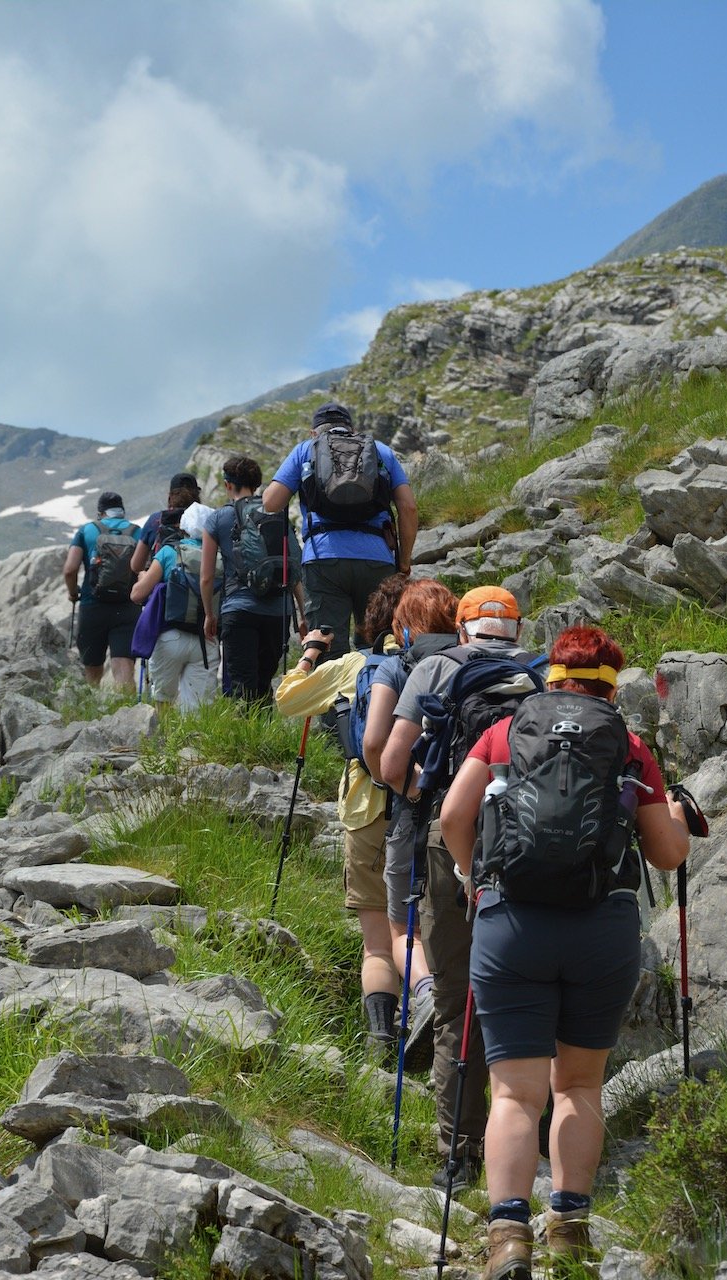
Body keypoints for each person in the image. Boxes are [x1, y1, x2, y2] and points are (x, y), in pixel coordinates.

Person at [439, 625, 691, 1280]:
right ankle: (570, 1229)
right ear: (612, 682)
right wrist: (679, 821)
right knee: (578, 1085)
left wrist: (475, 881)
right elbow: (667, 854)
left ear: (551, 676)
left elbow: (451, 817)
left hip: (511, 924)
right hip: (599, 930)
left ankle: (508, 1238)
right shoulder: (629, 747)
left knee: (515, 1095)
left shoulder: (505, 733)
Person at [379, 585, 538, 1191]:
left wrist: (430, 798)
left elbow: (393, 766)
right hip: (523, 844)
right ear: (516, 630)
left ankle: (459, 1154)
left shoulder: (436, 669)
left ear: (463, 626)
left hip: (452, 843)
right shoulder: (536, 675)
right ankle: (526, 1134)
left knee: (455, 1001)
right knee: (521, 996)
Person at [275, 574, 417, 1059]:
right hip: (434, 807)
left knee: (378, 940)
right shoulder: (445, 663)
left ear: (373, 620)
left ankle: (382, 1040)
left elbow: (287, 698)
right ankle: (437, 1017)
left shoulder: (357, 665)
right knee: (431, 928)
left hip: (368, 807)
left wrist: (312, 650)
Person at [361, 578, 459, 1070]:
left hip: (415, 814)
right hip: (476, 815)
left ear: (403, 625)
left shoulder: (397, 665)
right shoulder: (476, 661)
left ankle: (423, 996)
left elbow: (376, 746)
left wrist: (413, 788)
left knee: (402, 926)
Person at [261, 401, 418, 662]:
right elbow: (409, 508)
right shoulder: (380, 451)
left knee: (327, 646)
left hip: (323, 560)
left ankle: (337, 702)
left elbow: (270, 502)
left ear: (315, 432)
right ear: (352, 429)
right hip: (377, 559)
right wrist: (403, 562)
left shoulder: (304, 450)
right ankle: (376, 697)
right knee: (379, 643)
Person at [200, 455, 306, 703]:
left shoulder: (217, 519)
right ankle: (264, 736)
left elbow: (206, 577)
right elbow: (294, 569)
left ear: (228, 485)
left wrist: (209, 615)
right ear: (257, 484)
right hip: (278, 612)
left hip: (239, 609)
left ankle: (246, 739)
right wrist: (303, 614)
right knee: (262, 683)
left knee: (242, 688)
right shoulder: (277, 514)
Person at [130, 501, 219, 714]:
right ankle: (192, 747)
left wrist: (143, 576)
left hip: (170, 638)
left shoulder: (170, 552)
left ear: (184, 526)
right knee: (197, 709)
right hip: (206, 640)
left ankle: (164, 742)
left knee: (163, 702)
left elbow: (137, 595)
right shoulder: (219, 555)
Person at [63, 491, 141, 692]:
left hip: (92, 606)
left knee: (92, 668)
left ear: (100, 513)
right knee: (124, 666)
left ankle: (91, 714)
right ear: (122, 511)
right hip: (127, 608)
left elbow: (70, 570)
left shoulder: (87, 531)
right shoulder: (137, 532)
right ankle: (128, 715)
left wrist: (73, 593)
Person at [130, 472, 202, 575]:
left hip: (165, 585)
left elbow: (136, 565)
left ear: (170, 495)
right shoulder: (207, 519)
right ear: (197, 495)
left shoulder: (155, 520)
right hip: (201, 584)